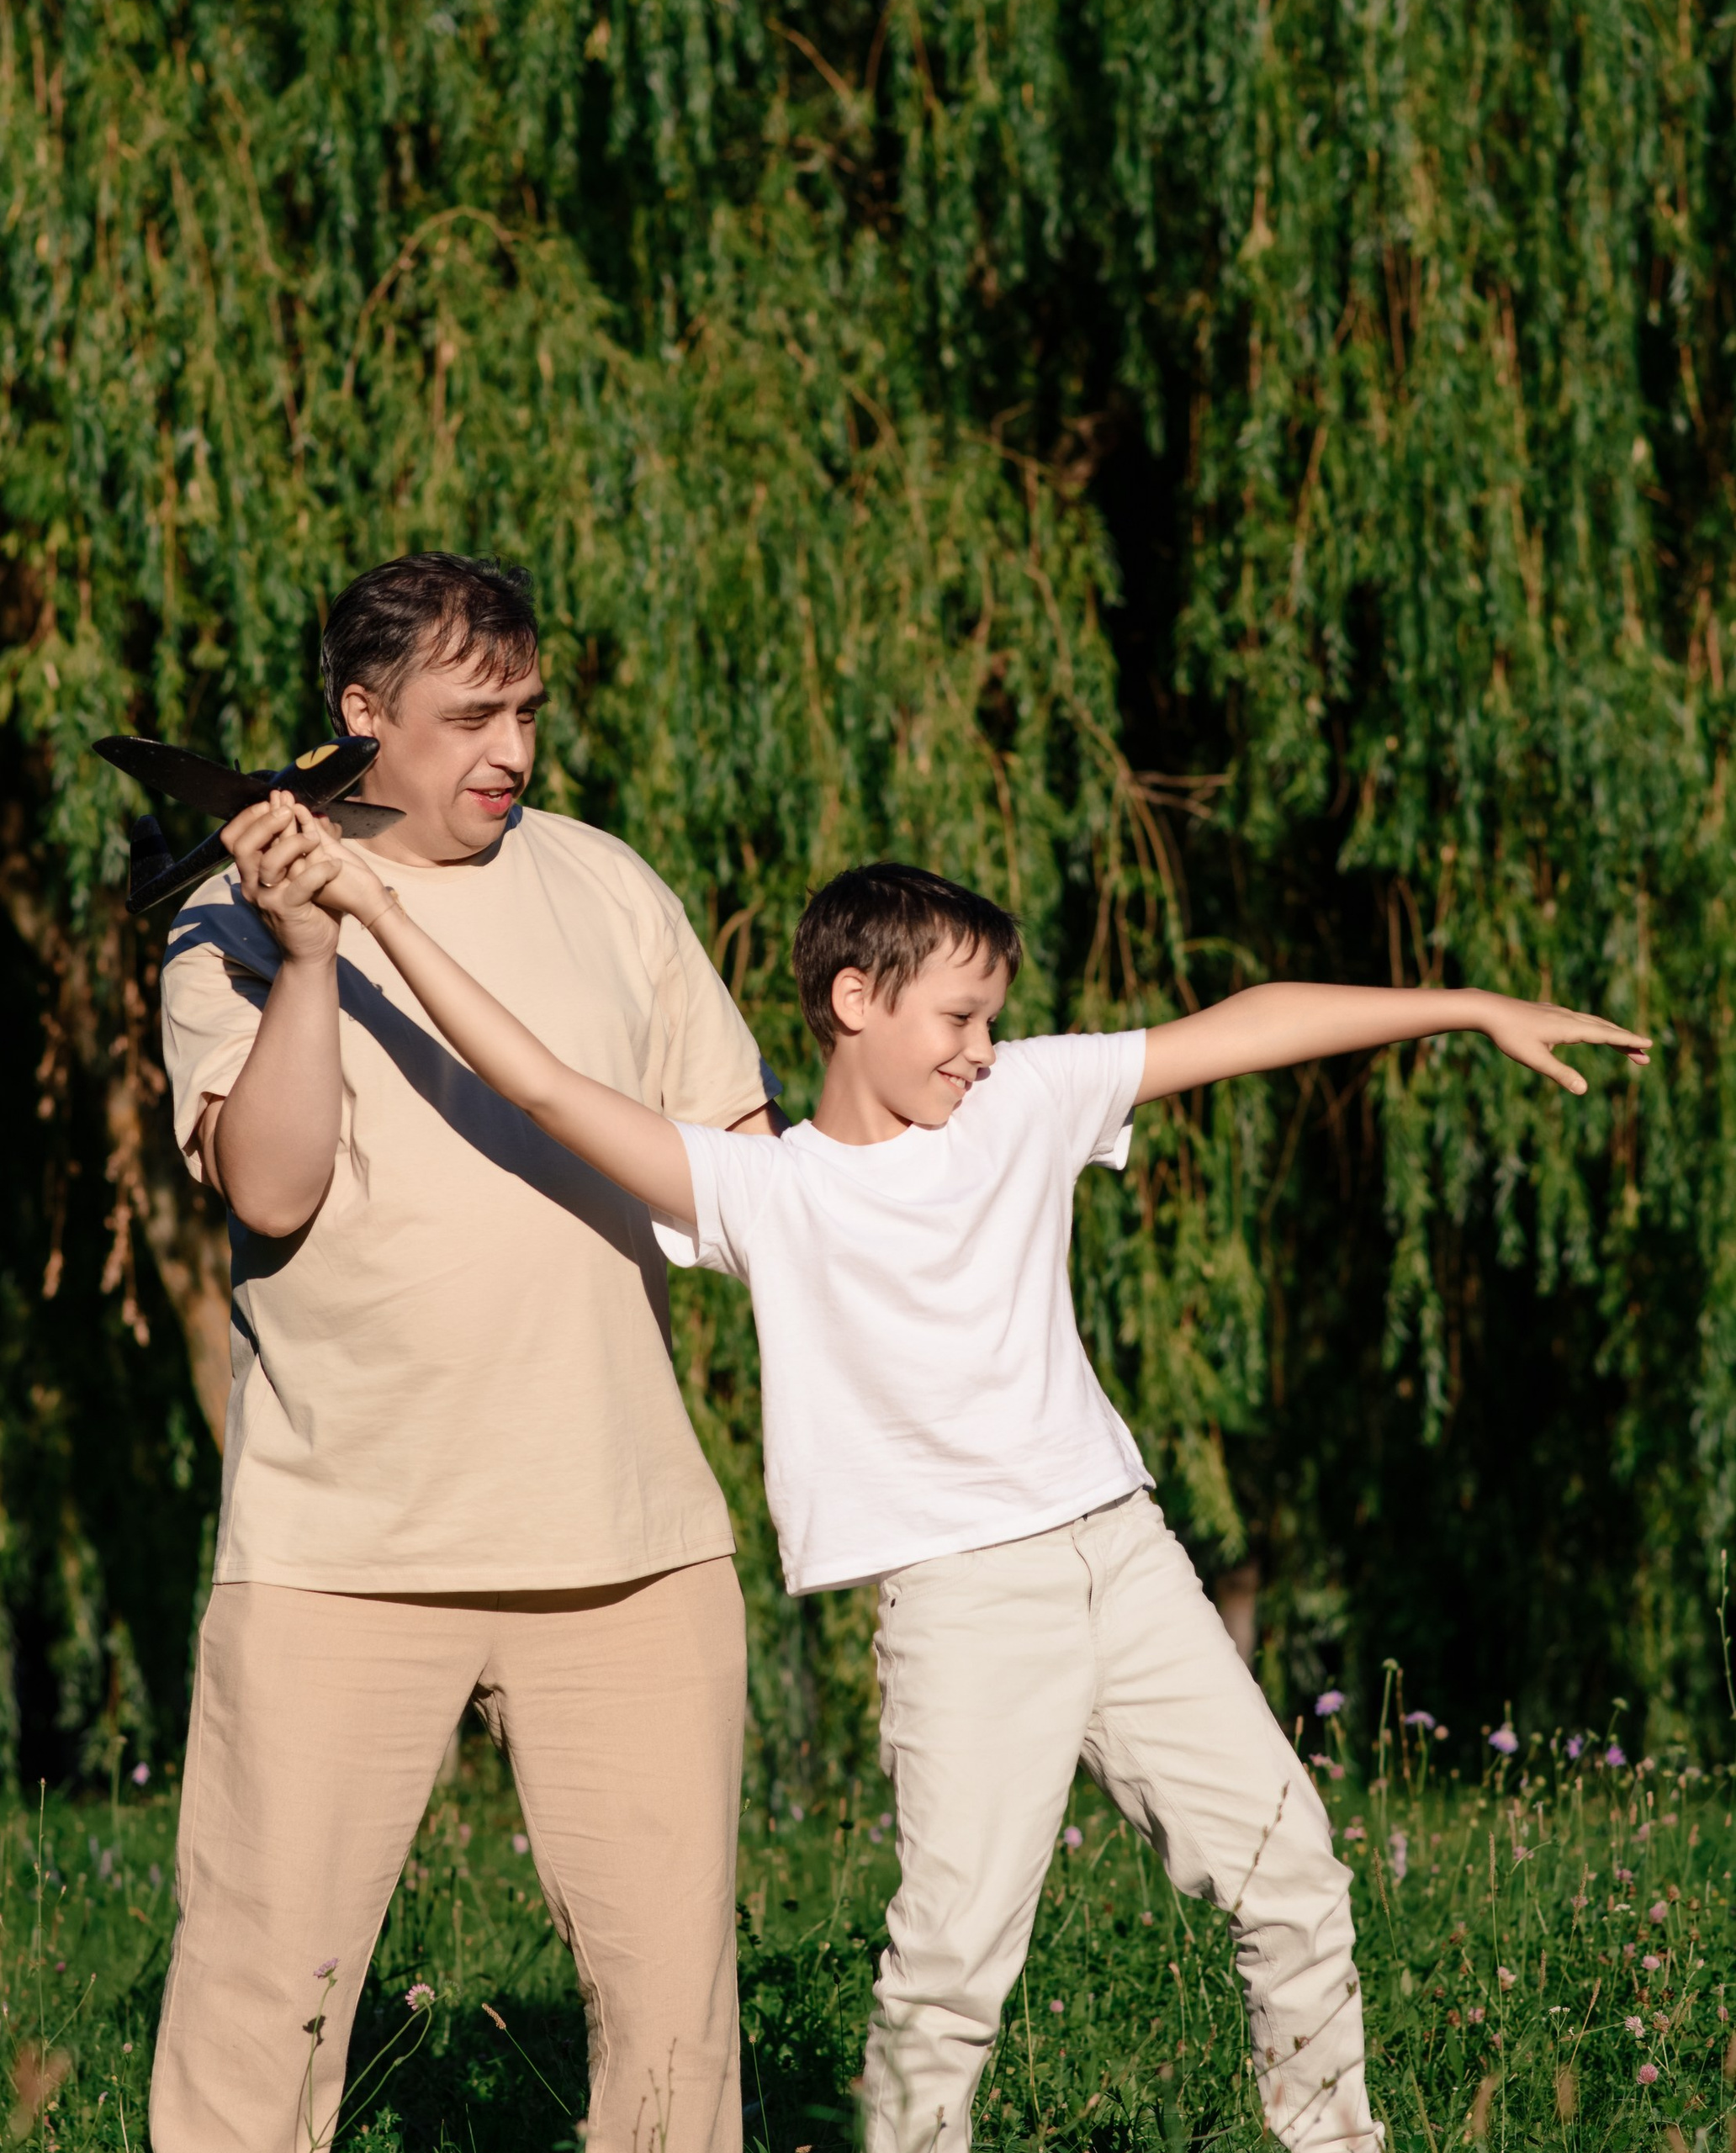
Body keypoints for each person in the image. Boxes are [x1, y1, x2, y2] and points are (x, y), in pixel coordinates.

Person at [260, 824, 1653, 2153]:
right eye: (960, 1020)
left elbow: (1250, 1020)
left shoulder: (1027, 1105)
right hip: (969, 1603)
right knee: (952, 1968)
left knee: (1296, 1884)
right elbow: (548, 1088)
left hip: (1126, 1555)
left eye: (994, 1021)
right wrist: (376, 913)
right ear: (854, 1000)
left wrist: (1466, 1005)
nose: (985, 1051)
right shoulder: (767, 1193)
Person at [149, 553, 781, 2153]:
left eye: (528, 713)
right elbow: (271, 1188)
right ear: (362, 718)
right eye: (469, 715)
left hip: (626, 1543)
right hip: (339, 1549)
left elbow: (750, 1167)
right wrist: (308, 958)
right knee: (259, 2012)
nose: (511, 750)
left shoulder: (608, 883)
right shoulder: (227, 920)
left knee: (676, 2036)